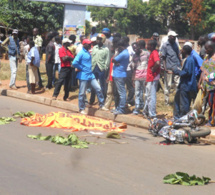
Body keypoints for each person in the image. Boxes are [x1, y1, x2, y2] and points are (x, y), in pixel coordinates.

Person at [72, 39, 105, 114]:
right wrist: (81, 68)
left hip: (90, 74)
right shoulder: (81, 53)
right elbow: (74, 62)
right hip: (83, 75)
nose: (90, 45)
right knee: (82, 93)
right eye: (88, 44)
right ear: (84, 45)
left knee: (98, 88)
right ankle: (81, 108)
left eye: (90, 44)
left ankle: (101, 104)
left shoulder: (88, 52)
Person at [172, 45, 197, 120]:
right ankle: (177, 117)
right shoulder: (188, 59)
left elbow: (186, 73)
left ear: (184, 51)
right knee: (177, 100)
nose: (181, 51)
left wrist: (177, 71)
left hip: (186, 85)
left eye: (182, 50)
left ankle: (183, 118)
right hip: (184, 84)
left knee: (184, 103)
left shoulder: (189, 60)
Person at [161, 31, 181, 105]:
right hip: (169, 68)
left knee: (178, 84)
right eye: (173, 36)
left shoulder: (176, 44)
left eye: (175, 37)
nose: (175, 38)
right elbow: (163, 58)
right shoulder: (165, 46)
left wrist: (180, 66)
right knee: (168, 85)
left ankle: (177, 101)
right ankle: (167, 102)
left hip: (177, 67)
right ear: (169, 37)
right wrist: (165, 69)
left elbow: (178, 55)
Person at [198, 41, 215, 126]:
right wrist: (199, 82)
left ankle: (211, 121)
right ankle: (201, 119)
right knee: (203, 103)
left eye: (207, 48)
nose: (205, 50)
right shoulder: (205, 58)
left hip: (213, 86)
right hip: (205, 86)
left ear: (211, 48)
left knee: (212, 104)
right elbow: (202, 71)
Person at [89, 33, 110, 105]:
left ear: (103, 40)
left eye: (100, 39)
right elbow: (92, 57)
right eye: (97, 39)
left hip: (101, 69)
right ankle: (92, 100)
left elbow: (107, 60)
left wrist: (105, 68)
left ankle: (102, 100)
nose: (98, 40)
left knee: (102, 85)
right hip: (94, 68)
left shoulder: (106, 49)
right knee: (93, 85)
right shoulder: (94, 48)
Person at [131, 40, 150, 115]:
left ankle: (146, 109)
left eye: (136, 48)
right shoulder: (134, 56)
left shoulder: (147, 54)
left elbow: (149, 65)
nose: (135, 50)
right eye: (133, 49)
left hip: (145, 77)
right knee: (137, 93)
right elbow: (133, 68)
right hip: (137, 77)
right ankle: (137, 108)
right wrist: (133, 78)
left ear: (139, 47)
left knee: (146, 94)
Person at [143, 40, 160, 118]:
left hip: (153, 78)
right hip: (150, 78)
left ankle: (152, 114)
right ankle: (146, 111)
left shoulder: (155, 53)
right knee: (148, 96)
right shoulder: (152, 53)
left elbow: (157, 62)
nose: (147, 46)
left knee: (151, 96)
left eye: (148, 45)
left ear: (152, 46)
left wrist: (154, 69)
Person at [112, 39, 130, 115]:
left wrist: (116, 62)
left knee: (122, 93)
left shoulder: (123, 53)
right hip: (119, 74)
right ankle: (119, 108)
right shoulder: (124, 52)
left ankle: (121, 109)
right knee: (120, 92)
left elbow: (113, 60)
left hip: (119, 74)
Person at [123, 36, 135, 106]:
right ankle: (126, 100)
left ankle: (130, 100)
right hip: (124, 69)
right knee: (124, 86)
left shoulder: (130, 49)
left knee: (130, 86)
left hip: (128, 69)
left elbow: (133, 58)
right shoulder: (125, 49)